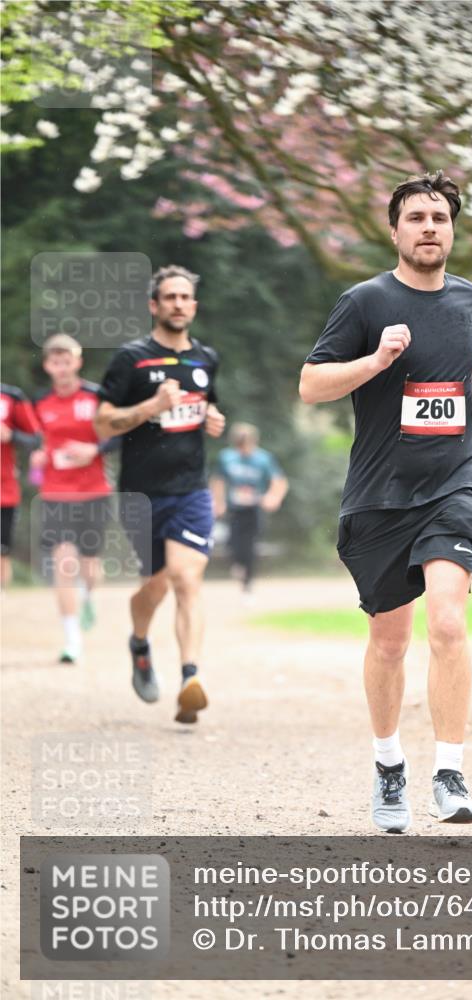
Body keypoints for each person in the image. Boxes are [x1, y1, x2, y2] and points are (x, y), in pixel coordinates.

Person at [299, 170, 472, 832]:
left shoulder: (468, 299)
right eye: (415, 217)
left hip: (451, 484)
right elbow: (310, 385)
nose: (428, 228)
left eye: (439, 218)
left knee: (446, 622)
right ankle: (389, 765)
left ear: (452, 229)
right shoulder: (363, 302)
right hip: (379, 495)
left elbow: (470, 369)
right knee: (388, 642)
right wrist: (374, 363)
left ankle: (450, 772)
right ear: (394, 230)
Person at [95, 264, 225, 724]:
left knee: (187, 579)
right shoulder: (131, 359)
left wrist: (213, 421)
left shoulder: (206, 359)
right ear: (154, 305)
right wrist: (151, 406)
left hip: (190, 489)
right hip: (140, 494)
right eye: (169, 297)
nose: (177, 304)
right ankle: (140, 643)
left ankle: (191, 678)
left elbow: (208, 411)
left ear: (194, 305)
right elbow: (102, 422)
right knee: (153, 584)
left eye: (184, 297)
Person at [31, 335, 116, 662]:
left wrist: (93, 449)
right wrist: (37, 454)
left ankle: (89, 596)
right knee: (63, 563)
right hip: (55, 493)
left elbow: (122, 436)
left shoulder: (97, 397)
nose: (62, 367)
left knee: (89, 567)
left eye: (67, 360)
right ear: (48, 366)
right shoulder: (39, 403)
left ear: (77, 362)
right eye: (55, 361)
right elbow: (32, 438)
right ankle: (71, 639)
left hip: (94, 491)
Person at [211, 423, 288, 594]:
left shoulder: (263, 459)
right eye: (239, 445)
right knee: (232, 543)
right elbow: (218, 481)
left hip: (254, 509)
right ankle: (238, 566)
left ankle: (248, 582)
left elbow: (279, 481)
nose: (243, 449)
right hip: (234, 509)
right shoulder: (226, 457)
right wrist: (219, 502)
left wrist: (273, 497)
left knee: (251, 545)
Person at [0, 383, 41, 587]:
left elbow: (36, 439)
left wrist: (11, 435)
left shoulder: (11, 396)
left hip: (4, 489)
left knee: (1, 551)